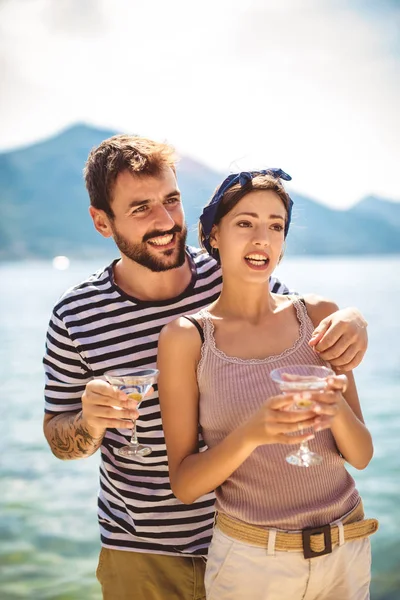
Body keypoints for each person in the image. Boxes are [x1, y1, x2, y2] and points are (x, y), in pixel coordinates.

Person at [43, 136, 369, 600]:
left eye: (171, 200)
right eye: (140, 208)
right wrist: (90, 423)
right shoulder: (75, 315)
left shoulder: (229, 269)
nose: (164, 221)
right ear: (101, 221)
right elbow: (59, 436)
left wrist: (354, 320)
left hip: (254, 541)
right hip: (145, 552)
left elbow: (293, 324)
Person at [157, 168, 378, 600]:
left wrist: (335, 411)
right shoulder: (187, 338)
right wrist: (253, 434)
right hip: (252, 564)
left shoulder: (319, 316)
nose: (262, 238)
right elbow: (184, 484)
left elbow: (363, 455)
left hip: (346, 549)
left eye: (275, 226)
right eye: (245, 223)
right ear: (214, 235)